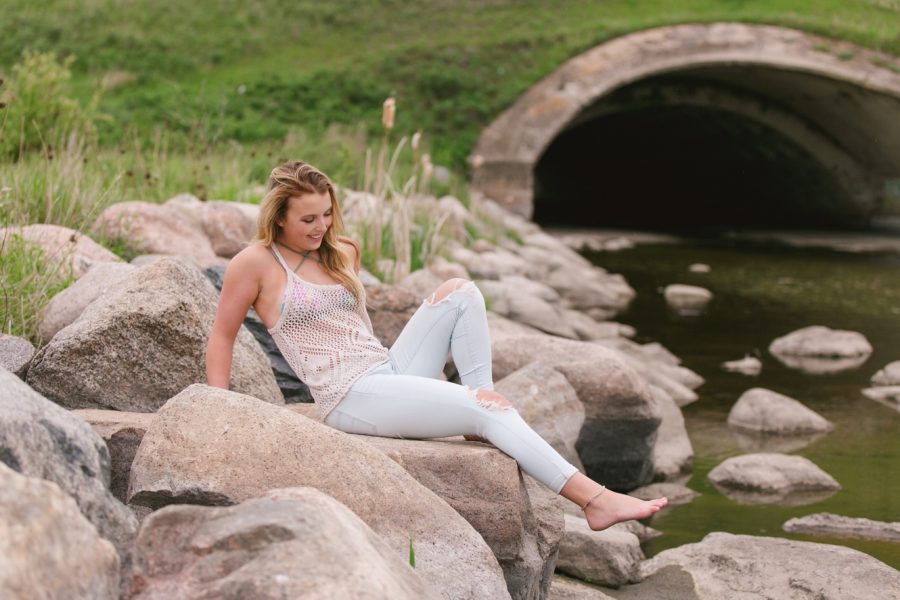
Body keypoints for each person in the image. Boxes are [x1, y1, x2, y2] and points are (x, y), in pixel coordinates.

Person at [206, 160, 668, 530]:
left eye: (327, 214)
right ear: (279, 215)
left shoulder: (341, 250)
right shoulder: (255, 263)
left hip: (386, 370)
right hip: (347, 396)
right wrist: (219, 408)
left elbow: (354, 323)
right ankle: (595, 500)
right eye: (308, 219)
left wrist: (466, 389)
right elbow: (223, 335)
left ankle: (477, 403)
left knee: (461, 291)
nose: (321, 226)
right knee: (494, 411)